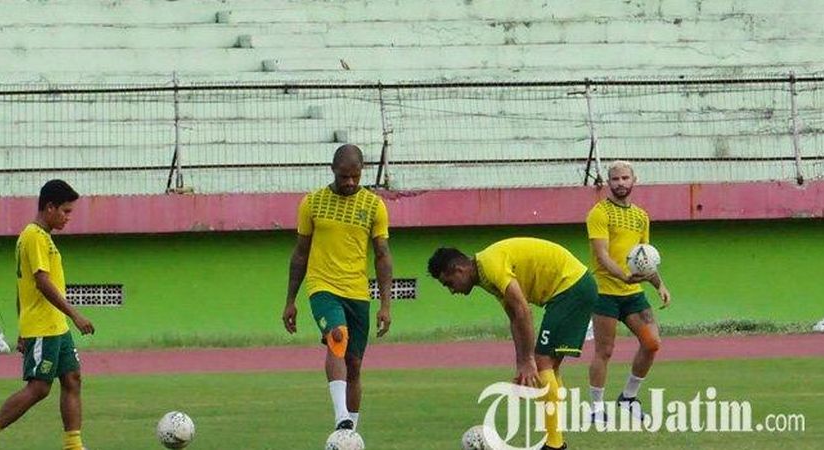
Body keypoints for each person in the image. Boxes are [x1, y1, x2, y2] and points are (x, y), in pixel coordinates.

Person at [428, 238, 597, 450]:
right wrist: (521, 364)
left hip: (571, 288)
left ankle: (554, 444)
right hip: (573, 288)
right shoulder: (486, 277)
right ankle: (555, 437)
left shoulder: (490, 264)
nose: (452, 291)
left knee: (542, 361)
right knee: (548, 367)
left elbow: (524, 311)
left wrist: (528, 360)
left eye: (449, 283)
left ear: (458, 269)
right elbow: (515, 318)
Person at [0, 179, 95, 450]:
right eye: (66, 211)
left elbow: (20, 287)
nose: (68, 218)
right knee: (39, 388)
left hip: (56, 327)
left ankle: (73, 445)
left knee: (72, 379)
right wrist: (75, 315)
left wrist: (22, 329)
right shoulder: (34, 236)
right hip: (44, 327)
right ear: (50, 207)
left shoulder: (42, 237)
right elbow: (41, 282)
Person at [282, 144, 393, 432]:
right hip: (323, 287)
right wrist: (290, 300)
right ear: (333, 170)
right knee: (337, 336)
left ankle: (349, 433)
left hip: (357, 293)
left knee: (354, 365)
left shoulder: (374, 206)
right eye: (344, 176)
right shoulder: (312, 203)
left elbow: (382, 255)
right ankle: (340, 416)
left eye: (355, 177)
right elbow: (300, 254)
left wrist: (385, 305)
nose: (350, 183)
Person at [586, 161, 672, 422]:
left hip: (633, 293)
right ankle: (596, 410)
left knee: (652, 343)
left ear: (634, 180)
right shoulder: (599, 213)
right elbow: (601, 256)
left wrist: (659, 285)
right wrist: (623, 275)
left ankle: (628, 398)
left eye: (625, 178)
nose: (620, 183)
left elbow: (644, 258)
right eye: (615, 179)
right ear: (608, 183)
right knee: (605, 351)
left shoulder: (641, 216)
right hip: (604, 292)